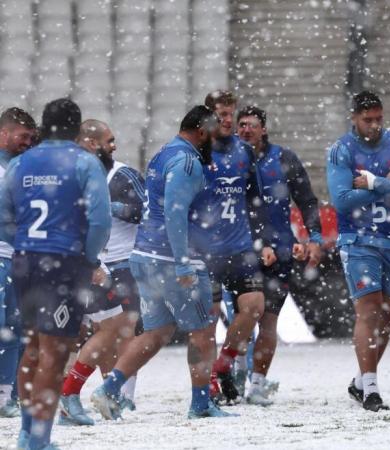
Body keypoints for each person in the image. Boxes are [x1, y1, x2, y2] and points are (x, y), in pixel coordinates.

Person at [91, 105, 229, 420]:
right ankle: (200, 403)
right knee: (202, 331)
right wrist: (183, 263)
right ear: (202, 131)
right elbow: (175, 213)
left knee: (156, 332)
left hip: (144, 256)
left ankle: (109, 388)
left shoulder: (163, 154)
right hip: (172, 259)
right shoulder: (188, 161)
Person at [0, 98, 111, 449]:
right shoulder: (84, 162)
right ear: (75, 129)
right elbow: (100, 220)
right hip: (62, 263)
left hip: (25, 261)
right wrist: (88, 257)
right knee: (54, 351)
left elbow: (3, 215)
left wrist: (23, 241)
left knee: (32, 347)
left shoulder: (20, 164)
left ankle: (26, 432)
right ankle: (37, 440)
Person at [327, 90, 390, 411]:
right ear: (354, 119)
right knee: (369, 311)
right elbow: (341, 199)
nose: (374, 125)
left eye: (378, 119)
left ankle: (359, 382)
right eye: (367, 120)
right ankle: (371, 389)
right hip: (358, 240)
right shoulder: (342, 149)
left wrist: (374, 183)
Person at [59, 119, 146, 425]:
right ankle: (72, 395)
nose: (114, 146)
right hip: (94, 266)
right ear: (91, 144)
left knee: (111, 331)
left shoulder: (121, 174)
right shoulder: (77, 174)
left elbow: (143, 211)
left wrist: (109, 206)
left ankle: (112, 394)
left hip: (112, 263)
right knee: (116, 331)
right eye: (109, 141)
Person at [236, 106, 322, 405]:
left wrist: (313, 237)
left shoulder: (284, 159)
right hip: (241, 253)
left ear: (264, 130)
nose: (246, 130)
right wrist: (258, 243)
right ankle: (233, 373)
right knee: (244, 317)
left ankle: (256, 383)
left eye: (252, 125)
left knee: (268, 322)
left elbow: (307, 200)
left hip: (281, 254)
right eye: (241, 125)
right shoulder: (230, 162)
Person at [193, 91, 276, 405]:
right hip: (206, 251)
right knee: (208, 320)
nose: (228, 121)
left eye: (231, 114)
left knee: (254, 307)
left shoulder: (244, 151)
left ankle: (223, 365)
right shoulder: (197, 153)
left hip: (240, 248)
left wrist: (264, 241)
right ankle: (209, 382)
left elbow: (255, 200)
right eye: (221, 114)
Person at [0, 108, 36, 418]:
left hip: (19, 259)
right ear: (3, 134)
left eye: (31, 138)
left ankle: (7, 395)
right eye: (22, 136)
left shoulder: (25, 169)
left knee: (17, 329)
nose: (27, 142)